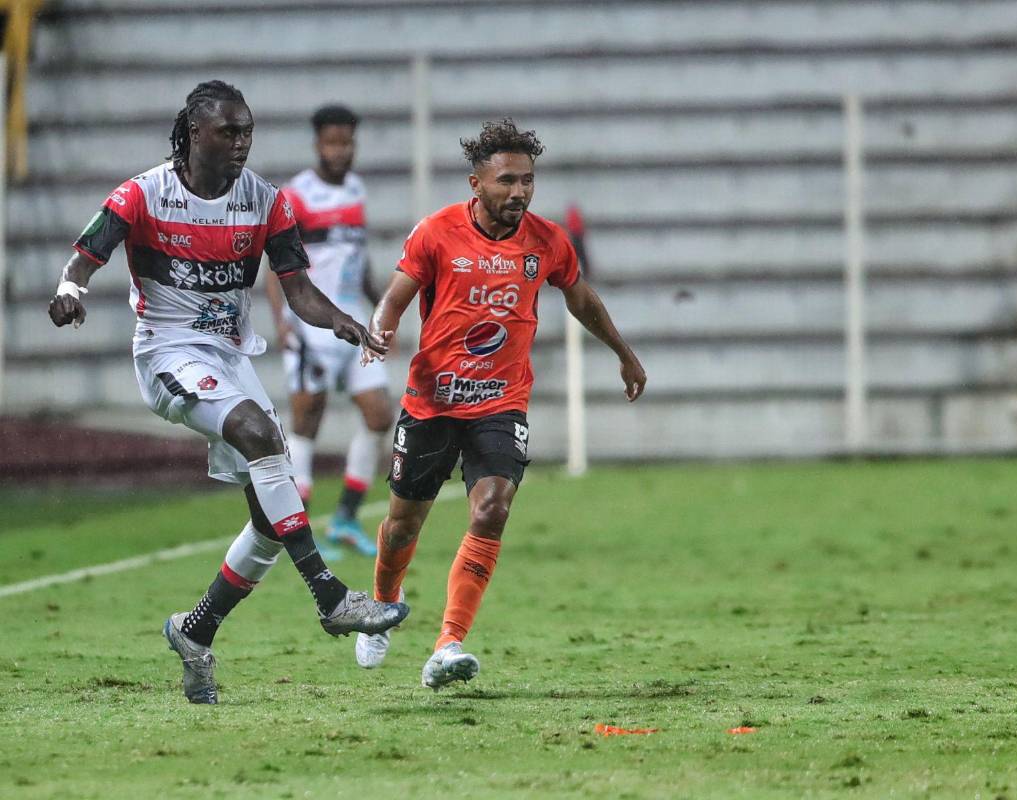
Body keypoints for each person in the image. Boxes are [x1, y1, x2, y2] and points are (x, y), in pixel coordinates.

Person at [47, 80, 408, 705]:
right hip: (167, 352)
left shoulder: (265, 201)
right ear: (192, 133)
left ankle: (196, 631)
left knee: (270, 522)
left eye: (247, 131)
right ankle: (329, 596)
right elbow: (85, 258)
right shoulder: (143, 194)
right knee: (264, 436)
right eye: (228, 131)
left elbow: (298, 290)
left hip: (231, 360)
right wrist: (71, 293)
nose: (241, 142)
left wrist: (341, 321)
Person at [355, 119, 647, 687]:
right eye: (507, 180)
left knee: (492, 508)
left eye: (528, 181)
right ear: (476, 183)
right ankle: (381, 606)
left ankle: (447, 645)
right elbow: (395, 297)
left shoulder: (547, 240)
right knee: (400, 526)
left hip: (501, 402)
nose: (519, 192)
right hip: (433, 401)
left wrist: (624, 352)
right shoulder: (436, 232)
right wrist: (381, 332)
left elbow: (580, 298)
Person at [265, 104, 390, 558]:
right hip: (313, 325)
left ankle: (345, 519)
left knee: (379, 415)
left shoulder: (356, 190)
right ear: (318, 144)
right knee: (307, 422)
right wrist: (284, 320)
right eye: (333, 142)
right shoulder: (297, 195)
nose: (342, 150)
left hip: (354, 321)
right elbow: (275, 265)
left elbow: (359, 260)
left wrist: (383, 310)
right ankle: (299, 534)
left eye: (348, 141)